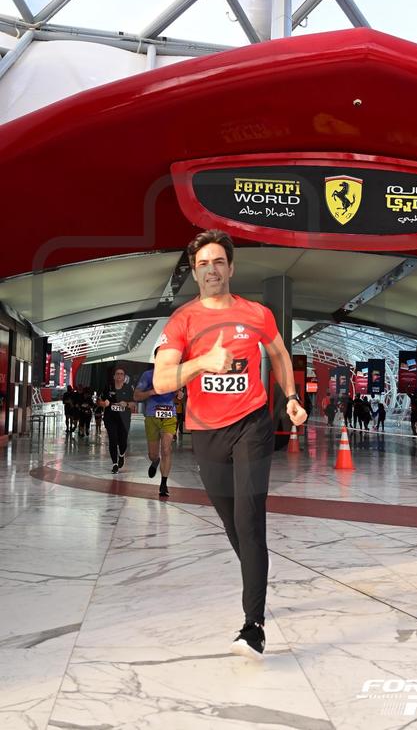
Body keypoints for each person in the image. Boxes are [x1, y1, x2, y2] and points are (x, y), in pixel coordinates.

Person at [153, 229, 306, 660]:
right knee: (232, 523)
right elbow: (162, 380)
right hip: (206, 433)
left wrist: (291, 396)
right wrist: (203, 362)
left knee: (249, 518)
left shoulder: (257, 313)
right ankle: (256, 576)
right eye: (203, 264)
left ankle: (253, 624)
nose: (211, 269)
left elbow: (278, 353)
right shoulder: (182, 321)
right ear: (195, 272)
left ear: (231, 268)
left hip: (252, 424)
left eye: (218, 261)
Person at [134, 352, 178, 497]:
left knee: (166, 449)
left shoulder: (175, 374)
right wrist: (152, 392)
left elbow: (181, 393)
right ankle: (155, 461)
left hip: (169, 416)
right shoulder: (148, 375)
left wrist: (180, 395)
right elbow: (136, 396)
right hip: (152, 416)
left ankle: (164, 483)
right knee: (153, 454)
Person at [98, 367, 135, 474]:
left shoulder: (129, 388)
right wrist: (104, 403)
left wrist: (126, 404)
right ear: (114, 376)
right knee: (113, 439)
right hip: (110, 418)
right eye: (117, 374)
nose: (119, 376)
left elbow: (134, 404)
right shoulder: (108, 387)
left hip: (124, 419)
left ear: (124, 377)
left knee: (123, 441)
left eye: (121, 374)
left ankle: (121, 455)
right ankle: (114, 464)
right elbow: (99, 401)